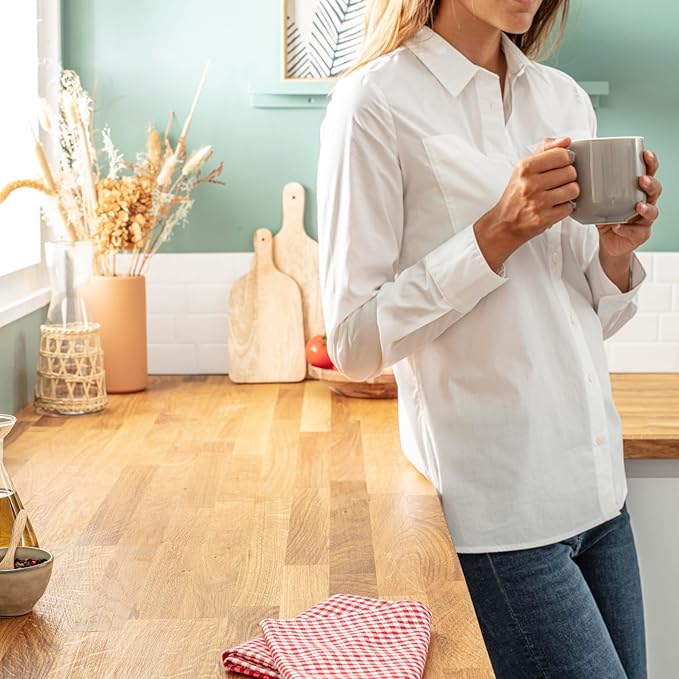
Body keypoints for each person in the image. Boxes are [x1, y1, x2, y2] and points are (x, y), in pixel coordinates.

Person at [316, 1, 663, 677]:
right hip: (503, 514)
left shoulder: (560, 98)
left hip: (598, 495)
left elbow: (579, 310)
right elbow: (353, 340)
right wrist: (496, 231)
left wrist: (615, 253)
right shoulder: (374, 103)